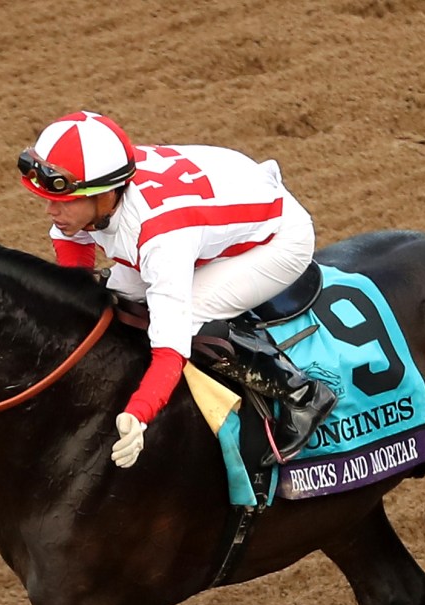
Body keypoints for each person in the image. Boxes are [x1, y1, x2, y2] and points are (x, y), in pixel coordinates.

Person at [19, 110, 335, 468]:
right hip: (213, 201)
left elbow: (171, 349)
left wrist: (139, 414)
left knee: (188, 314)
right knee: (114, 290)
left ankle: (302, 394)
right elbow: (73, 250)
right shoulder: (100, 182)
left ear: (106, 196)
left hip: (279, 239)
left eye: (62, 201)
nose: (49, 210)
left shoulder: (161, 241)